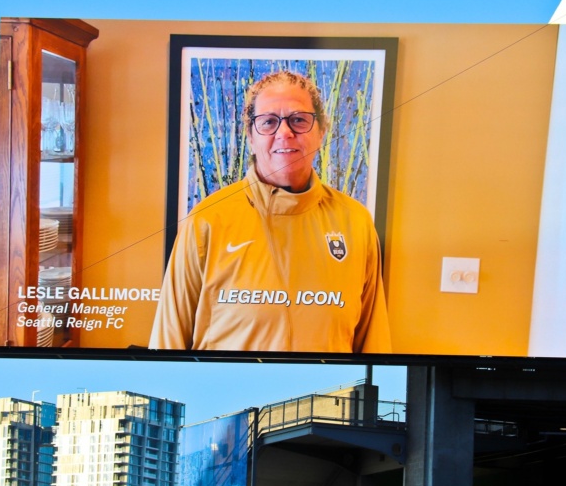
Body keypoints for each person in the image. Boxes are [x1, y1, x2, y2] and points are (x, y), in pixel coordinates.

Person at [151, 71, 391, 353]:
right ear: (251, 137)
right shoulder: (208, 220)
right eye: (268, 122)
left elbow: (374, 343)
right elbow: (168, 343)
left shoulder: (355, 222)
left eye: (299, 120)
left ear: (321, 132)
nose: (284, 132)